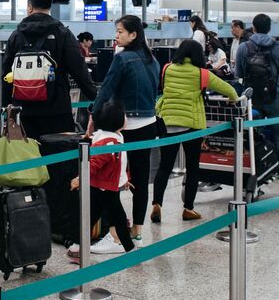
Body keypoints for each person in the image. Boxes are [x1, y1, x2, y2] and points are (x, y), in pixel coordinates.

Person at [2, 0, 98, 246]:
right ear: (51, 6)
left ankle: (30, 222)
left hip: (24, 113)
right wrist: (96, 99)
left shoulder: (16, 35)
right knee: (61, 168)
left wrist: (8, 109)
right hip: (56, 112)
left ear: (29, 6)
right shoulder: (63, 33)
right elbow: (78, 70)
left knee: (29, 169)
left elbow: (6, 73)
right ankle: (60, 226)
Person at [89, 15, 161, 243]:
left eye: (120, 31)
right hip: (148, 125)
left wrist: (94, 117)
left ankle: (114, 234)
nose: (116, 35)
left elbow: (106, 90)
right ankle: (137, 231)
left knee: (112, 179)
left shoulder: (122, 59)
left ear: (133, 34)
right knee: (140, 180)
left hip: (124, 128)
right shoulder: (153, 60)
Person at [153, 39, 238, 220]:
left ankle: (157, 204)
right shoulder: (201, 74)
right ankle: (188, 208)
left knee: (164, 167)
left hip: (168, 122)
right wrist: (233, 98)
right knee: (192, 168)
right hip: (192, 125)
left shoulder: (167, 68)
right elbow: (228, 89)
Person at [70, 100, 134, 258]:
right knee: (119, 217)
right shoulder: (107, 141)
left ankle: (77, 245)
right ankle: (130, 249)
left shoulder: (116, 136)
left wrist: (124, 178)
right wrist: (79, 178)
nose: (127, 118)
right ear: (116, 120)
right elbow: (93, 164)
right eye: (124, 116)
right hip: (105, 188)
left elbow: (120, 161)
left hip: (106, 185)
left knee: (92, 216)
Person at [236, 14, 279, 179]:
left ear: (253, 28)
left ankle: (258, 170)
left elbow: (239, 73)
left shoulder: (244, 47)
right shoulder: (277, 47)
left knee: (254, 134)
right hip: (273, 95)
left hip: (251, 98)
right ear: (269, 28)